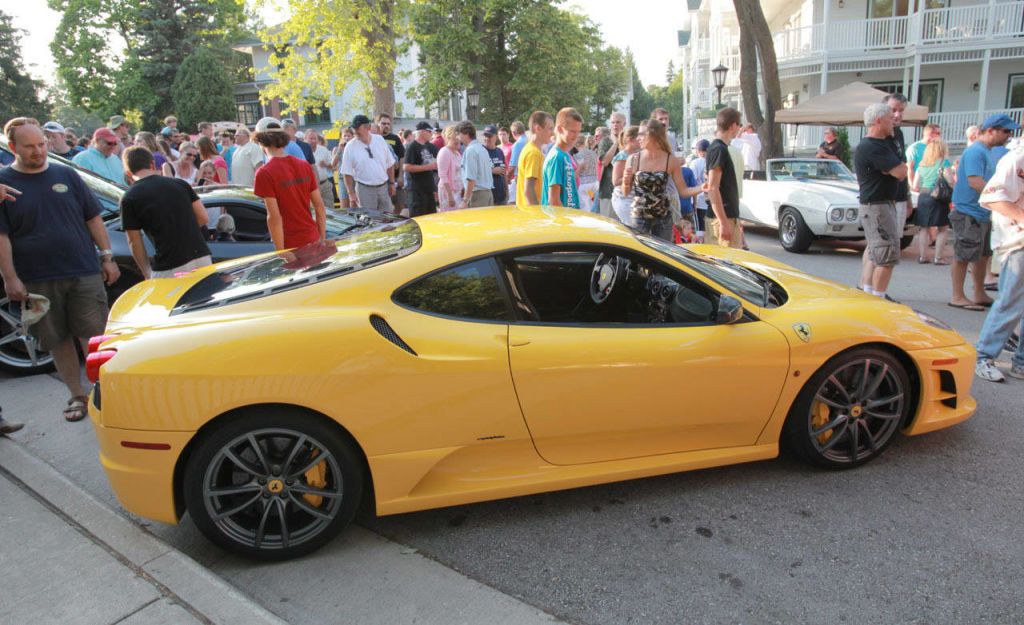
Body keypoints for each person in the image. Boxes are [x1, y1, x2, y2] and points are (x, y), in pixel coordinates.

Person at [0, 118, 120, 423]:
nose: (38, 151)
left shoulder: (66, 174)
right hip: (37, 277)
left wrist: (107, 257)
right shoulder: (4, 186)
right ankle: (77, 396)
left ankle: (104, 394)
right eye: (29, 146)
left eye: (41, 144)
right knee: (56, 339)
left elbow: (93, 218)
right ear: (13, 147)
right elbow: (2, 237)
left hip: (82, 270)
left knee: (93, 336)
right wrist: (10, 277)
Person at [949, 114, 1018, 310]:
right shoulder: (976, 152)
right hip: (967, 212)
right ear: (990, 130)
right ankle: (957, 296)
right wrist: (1000, 200)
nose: (1008, 136)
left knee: (983, 255)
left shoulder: (987, 151)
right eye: (1006, 131)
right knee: (963, 255)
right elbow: (975, 182)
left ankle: (979, 293)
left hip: (982, 212)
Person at [120, 146, 211, 279]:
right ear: (152, 164)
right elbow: (203, 217)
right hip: (201, 255)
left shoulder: (129, 198)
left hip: (169, 263)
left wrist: (146, 271)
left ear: (128, 173)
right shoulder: (180, 184)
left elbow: (134, 241)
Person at [974, 145, 1024, 382]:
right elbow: (992, 196)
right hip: (1017, 243)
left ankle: (1021, 362)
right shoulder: (1017, 158)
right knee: (1010, 302)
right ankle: (982, 357)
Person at [853, 103, 908, 299]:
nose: (894, 119)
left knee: (875, 252)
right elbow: (901, 171)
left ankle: (867, 293)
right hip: (877, 207)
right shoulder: (872, 146)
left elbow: (897, 169)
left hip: (877, 205)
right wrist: (894, 168)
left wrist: (893, 168)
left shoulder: (882, 144)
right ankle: (878, 298)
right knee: (886, 255)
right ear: (878, 121)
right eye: (889, 116)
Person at [252, 117, 327, 250]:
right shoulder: (303, 165)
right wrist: (322, 238)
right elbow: (319, 206)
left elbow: (274, 217)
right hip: (313, 237)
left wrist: (281, 251)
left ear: (260, 142)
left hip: (290, 244)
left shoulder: (264, 173)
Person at [621, 119, 700, 241]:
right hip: (639, 218)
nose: (638, 138)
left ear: (653, 135)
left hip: (663, 219)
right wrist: (625, 182)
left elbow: (683, 191)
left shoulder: (671, 160)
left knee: (662, 257)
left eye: (641, 134)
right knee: (640, 256)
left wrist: (702, 187)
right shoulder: (633, 159)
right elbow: (625, 192)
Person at [910, 138, 953, 265]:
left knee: (923, 227)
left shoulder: (922, 164)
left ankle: (923, 256)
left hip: (923, 196)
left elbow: (915, 185)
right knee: (942, 228)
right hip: (938, 197)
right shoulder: (944, 163)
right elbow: (950, 180)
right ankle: (938, 258)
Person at [705, 108, 744, 248]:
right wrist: (723, 222)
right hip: (722, 217)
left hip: (726, 217)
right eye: (739, 125)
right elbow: (713, 187)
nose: (739, 128)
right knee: (725, 266)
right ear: (733, 125)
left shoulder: (719, 148)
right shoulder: (718, 149)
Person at [342, 114, 396, 212]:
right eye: (354, 128)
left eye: (358, 128)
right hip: (364, 190)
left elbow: (390, 164)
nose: (355, 131)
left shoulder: (379, 140)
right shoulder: (350, 146)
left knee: (388, 220)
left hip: (383, 187)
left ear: (368, 127)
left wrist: (391, 183)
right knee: (369, 220)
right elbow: (347, 172)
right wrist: (351, 194)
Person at [541, 108, 583, 209]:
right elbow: (553, 200)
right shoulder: (556, 157)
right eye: (572, 131)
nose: (576, 136)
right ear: (559, 129)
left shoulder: (565, 155)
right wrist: (565, 221)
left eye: (578, 131)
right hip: (561, 222)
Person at [517, 111, 554, 206]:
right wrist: (537, 215)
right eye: (550, 128)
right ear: (537, 128)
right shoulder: (533, 153)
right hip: (531, 215)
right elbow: (529, 191)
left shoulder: (530, 149)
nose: (552, 133)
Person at [404, 121, 440, 216]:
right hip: (416, 191)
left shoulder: (430, 146)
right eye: (429, 131)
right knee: (419, 218)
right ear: (422, 131)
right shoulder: (412, 146)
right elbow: (406, 166)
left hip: (428, 189)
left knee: (431, 217)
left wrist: (434, 189)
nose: (431, 133)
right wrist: (427, 167)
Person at [597, 112, 627, 219]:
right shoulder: (605, 141)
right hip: (608, 192)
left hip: (626, 193)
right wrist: (616, 143)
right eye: (613, 122)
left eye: (618, 122)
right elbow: (605, 161)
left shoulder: (629, 142)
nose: (615, 125)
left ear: (624, 123)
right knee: (610, 227)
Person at [458, 121, 494, 208]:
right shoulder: (482, 148)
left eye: (459, 134)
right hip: (488, 194)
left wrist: (465, 200)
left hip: (477, 196)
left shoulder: (470, 151)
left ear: (466, 134)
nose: (458, 137)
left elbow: (471, 178)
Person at [610, 126, 641, 224]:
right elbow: (615, 181)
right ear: (630, 139)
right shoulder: (623, 156)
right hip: (624, 198)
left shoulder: (637, 155)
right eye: (639, 138)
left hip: (633, 197)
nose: (641, 140)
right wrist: (633, 176)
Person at [376, 114, 406, 211]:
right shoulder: (373, 139)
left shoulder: (395, 138)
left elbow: (402, 157)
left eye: (388, 124)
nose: (386, 126)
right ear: (377, 124)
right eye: (383, 123)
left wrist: (401, 176)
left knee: (400, 205)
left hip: (396, 178)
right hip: (381, 180)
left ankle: (395, 223)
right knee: (384, 207)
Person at [437, 125, 463, 211]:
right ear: (448, 138)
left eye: (459, 138)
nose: (458, 140)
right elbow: (442, 175)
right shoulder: (444, 152)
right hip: (448, 192)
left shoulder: (457, 153)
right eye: (455, 138)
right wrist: (449, 195)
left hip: (458, 191)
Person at [308, 131, 335, 208]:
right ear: (305, 139)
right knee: (314, 210)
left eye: (315, 138)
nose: (313, 140)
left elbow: (333, 166)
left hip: (325, 184)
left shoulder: (323, 150)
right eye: (311, 138)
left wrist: (326, 164)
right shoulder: (303, 151)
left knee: (330, 209)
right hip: (311, 187)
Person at [482, 125, 507, 206]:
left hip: (501, 196)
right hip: (488, 197)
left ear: (495, 137)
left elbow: (504, 173)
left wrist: (506, 190)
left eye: (489, 136)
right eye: (485, 136)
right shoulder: (481, 151)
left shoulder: (499, 151)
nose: (486, 138)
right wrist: (492, 171)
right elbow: (475, 172)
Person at [690, 139, 709, 241]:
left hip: (699, 198)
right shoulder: (712, 161)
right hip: (710, 199)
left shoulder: (695, 163)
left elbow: (693, 182)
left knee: (700, 227)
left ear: (698, 151)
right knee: (708, 226)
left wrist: (694, 201)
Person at [331, 126, 355, 210]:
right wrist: (339, 151)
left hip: (355, 178)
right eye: (344, 136)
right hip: (342, 178)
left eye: (349, 135)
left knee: (354, 204)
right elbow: (333, 165)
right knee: (344, 206)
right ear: (341, 137)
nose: (347, 138)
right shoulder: (337, 149)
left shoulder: (355, 148)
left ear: (353, 136)